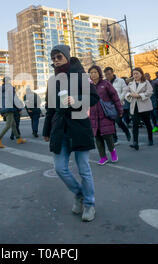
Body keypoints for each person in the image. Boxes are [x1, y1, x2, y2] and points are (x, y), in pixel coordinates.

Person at [43, 44, 100, 222]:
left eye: (59, 57)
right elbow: (50, 107)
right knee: (60, 168)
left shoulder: (81, 75)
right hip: (60, 129)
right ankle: (80, 194)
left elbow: (94, 97)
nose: (55, 61)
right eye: (53, 58)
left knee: (84, 169)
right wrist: (46, 130)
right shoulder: (53, 80)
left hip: (79, 127)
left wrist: (77, 100)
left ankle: (90, 204)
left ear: (67, 56)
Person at [89, 65, 123, 165]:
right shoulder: (89, 86)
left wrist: (119, 109)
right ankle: (103, 157)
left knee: (107, 136)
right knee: (97, 137)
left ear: (99, 73)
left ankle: (113, 152)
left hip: (105, 114)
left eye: (95, 72)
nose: (93, 74)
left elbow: (115, 96)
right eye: (91, 73)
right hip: (93, 116)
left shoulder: (105, 83)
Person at [123, 67, 154, 150]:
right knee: (135, 125)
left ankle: (150, 139)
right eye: (134, 74)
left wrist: (140, 95)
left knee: (147, 123)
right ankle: (135, 142)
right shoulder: (130, 84)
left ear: (141, 73)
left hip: (144, 106)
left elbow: (150, 92)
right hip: (134, 106)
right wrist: (129, 95)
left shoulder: (146, 82)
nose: (135, 75)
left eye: (137, 73)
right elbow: (125, 93)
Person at [0, 77, 26, 148]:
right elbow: (14, 99)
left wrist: (1, 109)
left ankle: (18, 139)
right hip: (9, 108)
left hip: (3, 108)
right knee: (8, 125)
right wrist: (19, 108)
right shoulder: (10, 88)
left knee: (13, 124)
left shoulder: (1, 89)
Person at [103, 67, 131, 144]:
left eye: (109, 74)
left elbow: (125, 90)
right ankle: (115, 139)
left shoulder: (120, 81)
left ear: (112, 73)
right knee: (111, 123)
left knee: (118, 121)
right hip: (109, 105)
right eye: (106, 74)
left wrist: (119, 100)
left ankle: (127, 131)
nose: (108, 76)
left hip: (119, 104)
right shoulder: (104, 83)